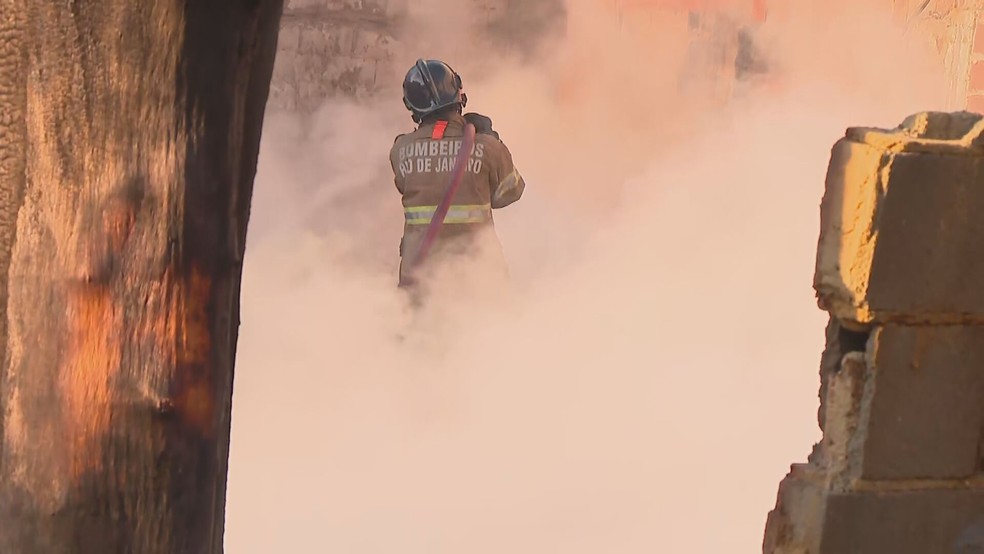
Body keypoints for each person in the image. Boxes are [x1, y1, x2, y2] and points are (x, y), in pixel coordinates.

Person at [389, 59, 526, 299]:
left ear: (412, 107)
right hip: (478, 281)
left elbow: (405, 185)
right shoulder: (486, 146)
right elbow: (511, 192)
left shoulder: (401, 149)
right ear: (458, 94)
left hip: (420, 283)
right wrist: (491, 138)